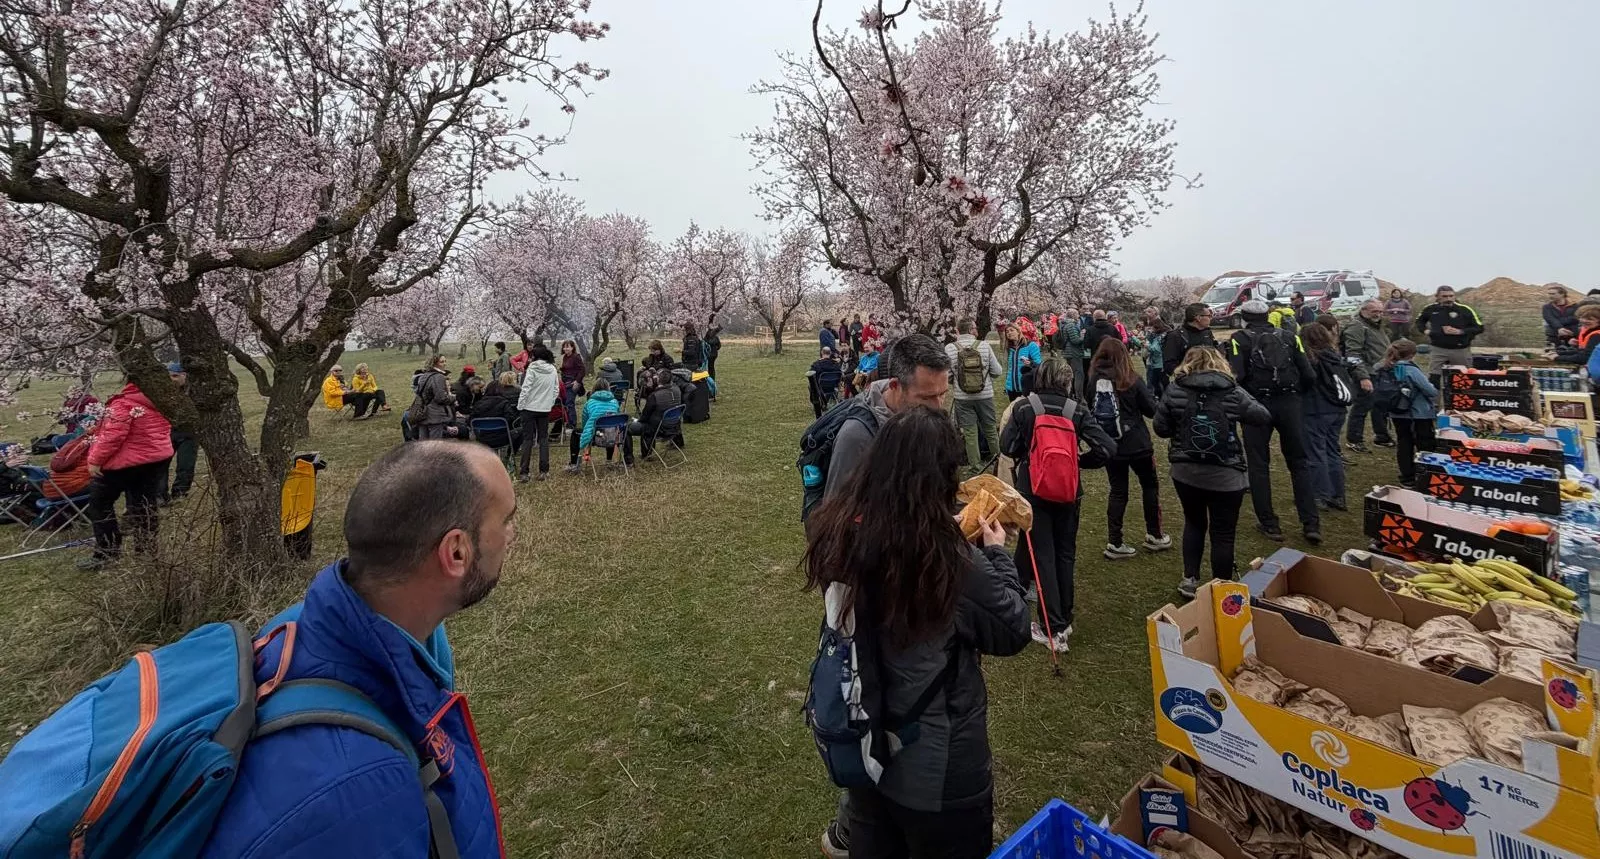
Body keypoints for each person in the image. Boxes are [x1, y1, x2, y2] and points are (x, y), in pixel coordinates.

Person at [202, 441, 514, 858]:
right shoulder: (353, 794)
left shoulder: (304, 625)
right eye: (505, 521)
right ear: (456, 552)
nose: (510, 535)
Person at [805, 407, 1029, 859]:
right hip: (938, 768)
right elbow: (1013, 627)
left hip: (864, 743)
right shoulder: (948, 560)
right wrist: (996, 555)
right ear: (940, 480)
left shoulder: (843, 531)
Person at [999, 357, 1112, 652]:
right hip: (1068, 490)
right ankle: (1064, 618)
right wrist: (1078, 462)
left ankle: (1053, 626)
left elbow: (1006, 446)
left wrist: (1029, 453)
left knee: (1043, 556)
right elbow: (1107, 447)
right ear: (1067, 381)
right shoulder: (1076, 410)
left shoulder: (1025, 408)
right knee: (1065, 554)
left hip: (1033, 490)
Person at [1154, 346, 1271, 599]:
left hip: (1187, 470)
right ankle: (1222, 587)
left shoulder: (1176, 389)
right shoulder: (1231, 390)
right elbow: (1261, 415)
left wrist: (1181, 425)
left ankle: (1190, 578)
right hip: (1225, 471)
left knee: (1194, 522)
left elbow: (1160, 427)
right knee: (1223, 533)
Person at [1227, 300, 1322, 545]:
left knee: (1258, 464)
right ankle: (1311, 522)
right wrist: (1296, 395)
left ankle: (1269, 523)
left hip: (1256, 404)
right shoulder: (1290, 336)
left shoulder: (1239, 339)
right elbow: (1308, 373)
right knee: (1299, 462)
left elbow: (1237, 375)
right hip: (1289, 402)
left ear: (1244, 317)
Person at [1085, 340, 1169, 559]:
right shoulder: (1131, 379)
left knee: (1118, 490)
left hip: (1110, 444)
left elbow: (1089, 404)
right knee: (1149, 486)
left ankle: (1115, 540)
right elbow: (1151, 410)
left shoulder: (1093, 380)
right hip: (1137, 443)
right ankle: (1154, 533)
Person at [81, 379, 174, 569]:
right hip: (155, 458)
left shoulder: (123, 403)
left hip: (125, 463)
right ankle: (146, 551)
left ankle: (107, 552)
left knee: (100, 504)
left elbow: (113, 435)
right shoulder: (161, 400)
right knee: (145, 505)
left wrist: (95, 460)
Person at [1301, 323, 1353, 512]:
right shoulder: (1334, 356)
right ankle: (1338, 495)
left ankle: (1320, 494)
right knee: (1332, 451)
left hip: (1316, 409)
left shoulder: (1310, 359)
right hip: (1337, 409)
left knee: (1316, 452)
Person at [1373, 340, 1438, 488]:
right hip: (1418, 414)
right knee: (1425, 445)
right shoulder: (1411, 370)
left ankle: (1407, 476)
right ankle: (1427, 475)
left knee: (1404, 444)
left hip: (1397, 412)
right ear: (1412, 355)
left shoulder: (1382, 367)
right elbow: (1430, 391)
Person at [945, 318, 1004, 477]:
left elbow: (948, 376)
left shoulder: (950, 348)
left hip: (962, 397)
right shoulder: (984, 346)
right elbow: (997, 371)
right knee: (990, 428)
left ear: (958, 330)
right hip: (985, 395)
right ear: (971, 330)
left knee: (970, 432)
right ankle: (999, 460)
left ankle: (975, 466)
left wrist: (957, 382)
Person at [1341, 300, 1394, 453]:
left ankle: (1381, 437)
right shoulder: (1357, 326)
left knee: (1379, 405)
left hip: (1379, 371)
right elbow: (1353, 354)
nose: (1378, 314)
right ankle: (1354, 440)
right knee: (1362, 406)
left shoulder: (1376, 326)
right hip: (1366, 372)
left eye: (1381, 311)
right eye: (1374, 311)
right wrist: (1363, 377)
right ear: (1363, 310)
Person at [1414, 285, 1483, 387]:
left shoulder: (1465, 309)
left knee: (1463, 379)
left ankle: (1459, 397)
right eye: (1445, 296)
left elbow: (1479, 327)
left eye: (1451, 296)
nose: (1448, 299)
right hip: (1438, 348)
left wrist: (1460, 331)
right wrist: (1425, 330)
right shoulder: (1430, 309)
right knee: (1434, 377)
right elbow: (1419, 321)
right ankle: (1435, 397)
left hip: (1460, 349)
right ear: (1437, 297)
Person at [516, 345, 560, 481]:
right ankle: (544, 471)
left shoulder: (532, 368)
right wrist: (549, 403)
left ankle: (524, 472)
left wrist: (520, 405)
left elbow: (526, 388)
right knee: (543, 439)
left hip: (529, 408)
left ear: (535, 357)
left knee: (528, 439)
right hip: (544, 409)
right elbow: (556, 389)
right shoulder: (552, 369)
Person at [568, 378, 630, 473]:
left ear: (594, 388)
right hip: (613, 437)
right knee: (610, 426)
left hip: (596, 436)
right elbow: (616, 420)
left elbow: (585, 423)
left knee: (575, 432)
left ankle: (573, 464)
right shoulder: (614, 402)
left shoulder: (590, 403)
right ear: (608, 388)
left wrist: (587, 431)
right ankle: (609, 460)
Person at [158, 362, 199, 505]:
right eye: (169, 376)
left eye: (175, 376)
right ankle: (160, 495)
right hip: (167, 431)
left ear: (184, 375)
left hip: (188, 432)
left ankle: (180, 492)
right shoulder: (162, 391)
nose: (172, 379)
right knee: (161, 464)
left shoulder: (195, 391)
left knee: (186, 464)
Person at [630, 369, 683, 458]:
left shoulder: (654, 396)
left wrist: (638, 421)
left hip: (659, 429)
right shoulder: (677, 389)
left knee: (634, 428)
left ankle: (645, 455)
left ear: (658, 380)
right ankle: (678, 442)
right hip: (674, 425)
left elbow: (645, 417)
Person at [469, 375, 521, 452]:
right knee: (521, 431)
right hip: (502, 438)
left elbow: (470, 421)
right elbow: (511, 419)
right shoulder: (503, 403)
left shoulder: (478, 404)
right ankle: (510, 453)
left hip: (482, 439)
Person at [415, 355, 458, 440]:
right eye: (442, 362)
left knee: (423, 443)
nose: (445, 364)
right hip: (435, 415)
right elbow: (441, 398)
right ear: (434, 363)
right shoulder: (439, 377)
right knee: (435, 443)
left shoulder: (424, 376)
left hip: (422, 413)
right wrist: (453, 397)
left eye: (445, 361)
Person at [1163, 304, 1217, 369]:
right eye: (1209, 316)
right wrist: (1187, 372)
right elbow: (1169, 364)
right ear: (1198, 318)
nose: (1211, 318)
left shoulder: (1207, 333)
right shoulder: (1176, 336)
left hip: (1210, 373)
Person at [1051, 306, 1087, 399]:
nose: (1078, 316)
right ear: (1073, 315)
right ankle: (1079, 396)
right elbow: (1075, 340)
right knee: (1078, 374)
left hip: (1067, 352)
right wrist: (1082, 336)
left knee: (1071, 373)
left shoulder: (1064, 324)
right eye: (1077, 314)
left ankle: (1070, 394)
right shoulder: (1071, 325)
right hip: (1074, 352)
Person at [1002, 324, 1041, 401]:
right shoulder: (1009, 348)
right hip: (1012, 388)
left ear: (1018, 331)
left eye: (1012, 330)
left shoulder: (1031, 345)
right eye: (1007, 332)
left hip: (1027, 388)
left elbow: (1039, 365)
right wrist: (1007, 386)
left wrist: (1030, 363)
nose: (1009, 333)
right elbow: (1010, 369)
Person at [558, 340, 586, 436]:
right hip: (565, 383)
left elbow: (582, 370)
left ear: (572, 347)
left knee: (570, 403)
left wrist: (577, 381)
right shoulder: (565, 357)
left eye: (568, 347)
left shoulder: (576, 357)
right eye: (564, 347)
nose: (565, 349)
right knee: (565, 403)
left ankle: (572, 425)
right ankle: (567, 422)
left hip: (573, 383)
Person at [807, 347, 844, 418]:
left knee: (811, 385)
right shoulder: (836, 364)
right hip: (833, 386)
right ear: (830, 353)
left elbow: (811, 375)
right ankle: (827, 400)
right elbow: (840, 375)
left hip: (821, 387)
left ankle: (817, 402)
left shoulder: (817, 364)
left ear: (822, 353)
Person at [1140, 318, 1172, 398]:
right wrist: (1149, 334)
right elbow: (1150, 340)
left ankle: (1162, 397)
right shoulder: (1156, 335)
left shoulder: (1162, 336)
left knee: (1159, 382)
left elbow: (1156, 349)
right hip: (1156, 362)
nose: (1150, 329)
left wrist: (1147, 346)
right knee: (1155, 381)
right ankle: (1160, 396)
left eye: (1151, 327)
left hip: (1160, 363)